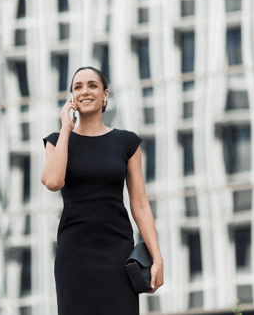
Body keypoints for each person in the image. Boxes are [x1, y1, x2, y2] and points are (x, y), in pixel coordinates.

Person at [41, 66, 163, 315]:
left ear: (105, 95)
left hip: (117, 254)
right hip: (74, 255)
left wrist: (156, 257)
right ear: (71, 98)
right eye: (78, 87)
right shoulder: (57, 140)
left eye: (92, 85)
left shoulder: (126, 142)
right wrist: (66, 128)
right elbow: (52, 182)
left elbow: (139, 203)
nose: (85, 91)